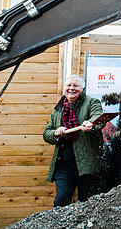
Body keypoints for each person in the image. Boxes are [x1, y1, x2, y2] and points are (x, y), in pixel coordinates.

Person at [43, 76, 104, 207]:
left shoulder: (92, 102)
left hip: (87, 164)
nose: (71, 88)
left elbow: (98, 118)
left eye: (76, 86)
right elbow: (46, 132)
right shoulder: (59, 108)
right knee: (61, 202)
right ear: (64, 88)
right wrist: (55, 133)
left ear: (82, 88)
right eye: (69, 85)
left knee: (88, 204)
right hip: (64, 165)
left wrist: (90, 124)